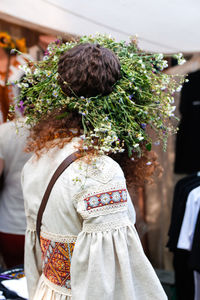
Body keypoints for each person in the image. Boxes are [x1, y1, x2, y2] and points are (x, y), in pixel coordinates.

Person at [18, 36, 180, 300]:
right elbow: (108, 281)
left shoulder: (39, 159)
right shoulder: (99, 172)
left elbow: (36, 249)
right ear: (119, 100)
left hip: (48, 292)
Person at [0, 118, 31, 268]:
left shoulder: (5, 131)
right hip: (47, 226)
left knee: (14, 280)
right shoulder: (61, 132)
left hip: (11, 223)